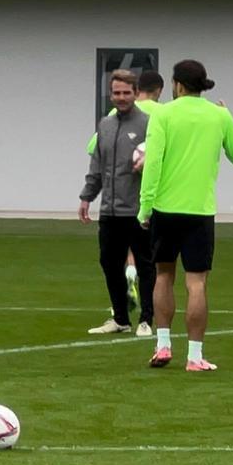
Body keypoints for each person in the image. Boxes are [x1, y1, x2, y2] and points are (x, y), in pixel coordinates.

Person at [138, 60, 233, 372]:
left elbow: (153, 163)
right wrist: (228, 116)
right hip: (200, 211)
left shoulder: (163, 114)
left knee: (163, 276)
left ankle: (162, 345)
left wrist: (145, 207)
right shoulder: (219, 115)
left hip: (165, 209)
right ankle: (195, 356)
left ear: (177, 85)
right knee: (196, 283)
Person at [79, 70, 155, 337]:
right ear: (110, 95)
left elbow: (162, 161)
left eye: (126, 92)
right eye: (116, 93)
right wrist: (87, 196)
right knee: (109, 263)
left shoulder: (148, 124)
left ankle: (146, 320)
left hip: (138, 211)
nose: (121, 97)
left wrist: (148, 163)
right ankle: (120, 318)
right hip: (109, 211)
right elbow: (97, 165)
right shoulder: (105, 125)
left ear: (135, 93)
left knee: (145, 265)